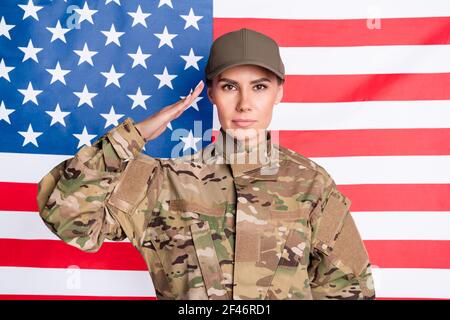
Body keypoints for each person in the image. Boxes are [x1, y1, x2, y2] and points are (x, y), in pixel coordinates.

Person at [36, 28, 376, 300]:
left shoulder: (311, 183)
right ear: (211, 93)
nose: (244, 104)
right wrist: (135, 135)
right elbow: (68, 218)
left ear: (279, 92)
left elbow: (349, 288)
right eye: (230, 87)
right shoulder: (164, 181)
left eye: (259, 87)